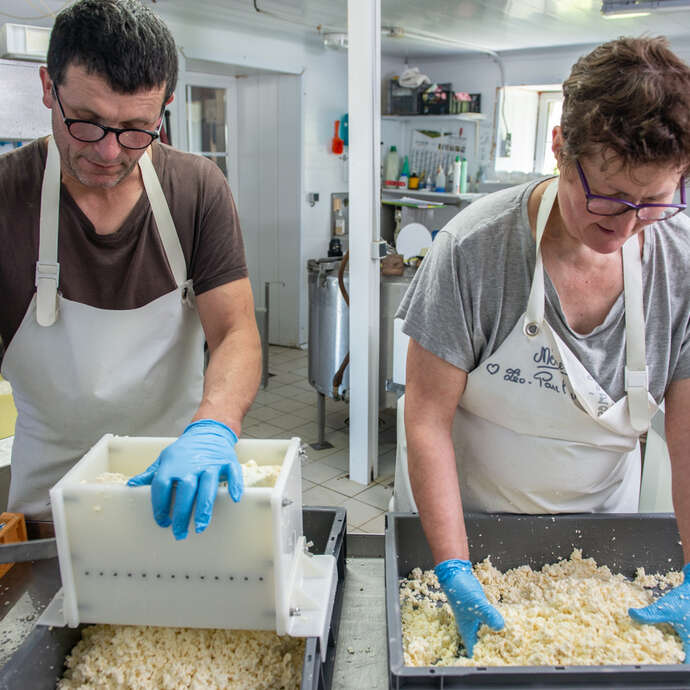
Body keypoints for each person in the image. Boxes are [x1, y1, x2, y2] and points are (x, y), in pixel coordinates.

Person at [396, 36, 690, 660]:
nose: (627, 225)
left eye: (655, 203)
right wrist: (452, 568)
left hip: (600, 540)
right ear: (559, 148)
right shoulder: (473, 252)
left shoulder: (679, 264)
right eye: (608, 197)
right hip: (469, 525)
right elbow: (424, 418)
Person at [0, 0, 261, 541]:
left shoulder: (197, 188)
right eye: (87, 124)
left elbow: (235, 331)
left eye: (137, 129)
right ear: (49, 87)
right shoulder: (6, 196)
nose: (110, 152)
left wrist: (212, 428)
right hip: (51, 507)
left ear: (163, 109)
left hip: (175, 492)